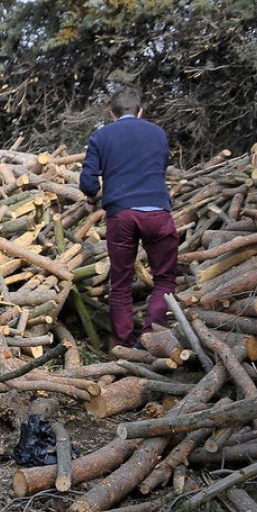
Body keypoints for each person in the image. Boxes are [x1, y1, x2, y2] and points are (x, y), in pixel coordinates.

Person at [79, 85, 179, 350]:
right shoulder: (158, 133)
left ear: (110, 112)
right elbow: (161, 166)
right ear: (140, 110)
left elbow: (88, 182)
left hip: (121, 215)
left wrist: (92, 199)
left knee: (121, 283)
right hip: (157, 212)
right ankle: (153, 335)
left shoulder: (101, 136)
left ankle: (122, 344)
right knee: (165, 279)